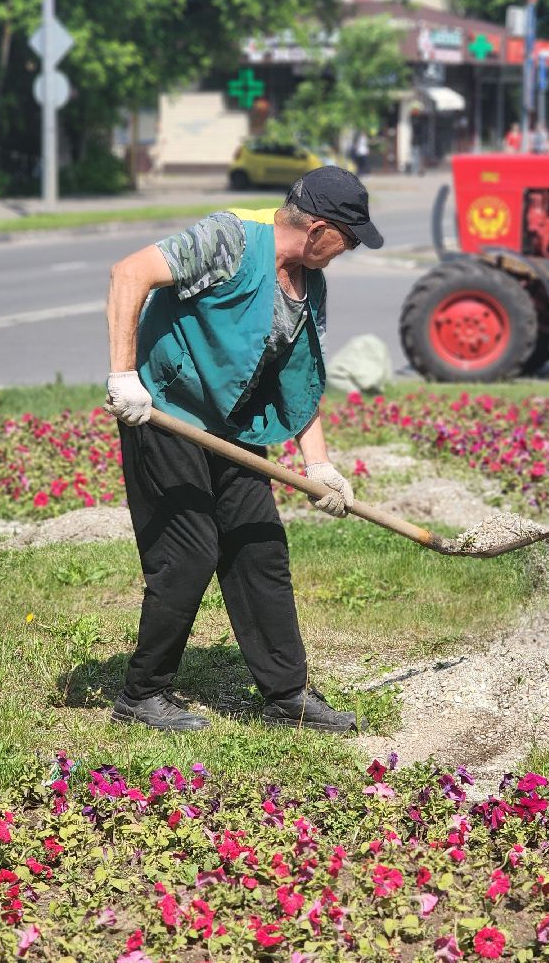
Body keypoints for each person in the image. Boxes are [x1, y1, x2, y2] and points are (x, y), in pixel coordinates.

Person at [103, 166, 384, 734]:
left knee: (260, 550)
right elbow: (129, 272)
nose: (349, 249)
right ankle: (142, 693)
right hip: (165, 415)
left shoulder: (309, 280)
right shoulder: (228, 239)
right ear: (319, 229)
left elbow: (298, 375)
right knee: (188, 553)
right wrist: (123, 376)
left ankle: (287, 696)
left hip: (233, 429)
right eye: (348, 239)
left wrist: (320, 465)